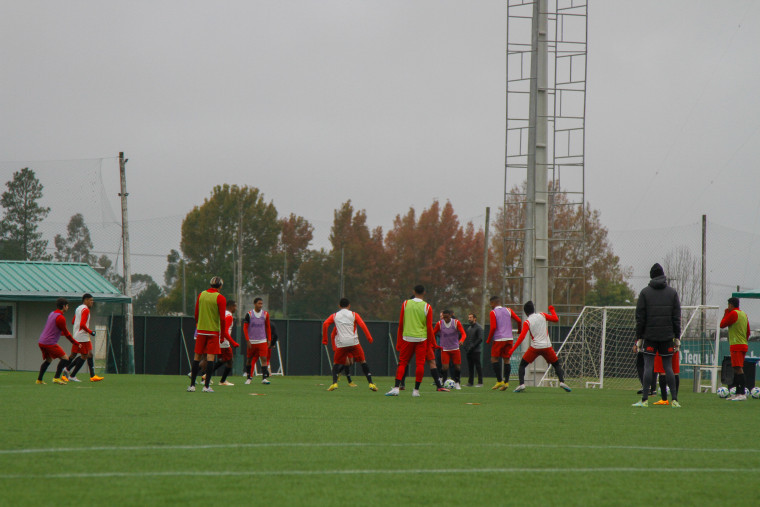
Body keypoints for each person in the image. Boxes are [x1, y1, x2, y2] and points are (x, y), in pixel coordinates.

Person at [632, 263, 681, 408]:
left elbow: (640, 318)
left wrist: (639, 338)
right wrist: (676, 337)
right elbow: (676, 317)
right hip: (667, 336)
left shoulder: (645, 293)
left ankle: (645, 400)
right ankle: (675, 400)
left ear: (651, 276)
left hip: (650, 336)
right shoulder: (672, 293)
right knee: (668, 368)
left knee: (648, 366)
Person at [386, 285, 445, 397]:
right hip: (421, 338)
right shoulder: (427, 307)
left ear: (413, 291)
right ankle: (416, 391)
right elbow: (429, 327)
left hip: (407, 337)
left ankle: (396, 388)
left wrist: (399, 341)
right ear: (424, 292)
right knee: (420, 364)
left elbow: (401, 323)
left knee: (402, 363)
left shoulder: (405, 304)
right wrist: (433, 343)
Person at [509, 301, 572, 393]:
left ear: (525, 312)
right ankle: (562, 381)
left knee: (522, 365)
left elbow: (522, 337)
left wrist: (512, 350)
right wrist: (552, 310)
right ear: (534, 309)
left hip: (535, 347)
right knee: (556, 364)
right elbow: (555, 319)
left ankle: (521, 384)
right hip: (547, 346)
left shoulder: (527, 322)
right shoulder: (542, 315)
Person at [321, 298, 378, 392]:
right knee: (363, 362)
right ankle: (371, 383)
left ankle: (334, 383)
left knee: (336, 364)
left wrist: (325, 340)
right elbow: (362, 324)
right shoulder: (354, 314)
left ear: (339, 306)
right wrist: (369, 337)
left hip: (342, 344)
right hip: (354, 342)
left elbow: (325, 324)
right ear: (349, 306)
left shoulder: (335, 315)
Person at [188, 276, 231, 393]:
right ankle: (206, 386)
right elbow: (222, 318)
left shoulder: (201, 295)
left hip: (201, 331)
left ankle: (192, 385)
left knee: (197, 357)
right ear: (220, 286)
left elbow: (196, 313)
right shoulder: (220, 298)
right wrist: (222, 336)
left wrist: (198, 325)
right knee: (210, 358)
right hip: (213, 332)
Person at [36, 298, 76, 385]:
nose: (68, 307)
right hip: (49, 343)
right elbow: (66, 333)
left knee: (48, 360)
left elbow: (54, 329)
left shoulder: (52, 314)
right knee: (65, 358)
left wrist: (60, 334)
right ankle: (56, 378)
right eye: (67, 306)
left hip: (42, 341)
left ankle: (39, 380)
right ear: (64, 306)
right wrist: (74, 342)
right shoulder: (61, 317)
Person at [485, 296, 522, 390]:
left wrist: (489, 339)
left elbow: (493, 328)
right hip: (509, 338)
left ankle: (499, 381)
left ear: (493, 303)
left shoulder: (493, 312)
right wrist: (519, 330)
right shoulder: (508, 310)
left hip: (499, 339)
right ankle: (506, 383)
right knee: (506, 360)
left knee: (494, 359)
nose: (490, 305)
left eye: (490, 303)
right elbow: (519, 320)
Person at [65, 293, 103, 382]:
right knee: (83, 355)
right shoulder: (85, 310)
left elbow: (73, 321)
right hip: (82, 335)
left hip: (80, 335)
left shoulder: (78, 308)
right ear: (85, 300)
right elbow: (82, 324)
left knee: (89, 354)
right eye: (90, 300)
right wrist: (91, 332)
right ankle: (69, 372)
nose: (92, 302)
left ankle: (92, 376)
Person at [720, 297, 751, 401]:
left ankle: (741, 393)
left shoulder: (733, 314)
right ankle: (738, 393)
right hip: (743, 344)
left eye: (728, 305)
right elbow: (748, 332)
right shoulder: (743, 314)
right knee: (736, 368)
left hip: (736, 345)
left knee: (738, 368)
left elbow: (722, 324)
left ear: (731, 305)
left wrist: (726, 313)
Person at [432, 309, 466, 389]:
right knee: (445, 367)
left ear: (450, 315)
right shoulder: (439, 324)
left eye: (447, 317)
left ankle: (457, 382)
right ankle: (444, 382)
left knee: (457, 366)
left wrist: (461, 340)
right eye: (444, 317)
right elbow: (433, 334)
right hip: (445, 349)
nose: (445, 319)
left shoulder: (456, 322)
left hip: (455, 348)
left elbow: (463, 333)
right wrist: (433, 344)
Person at [244, 298, 272, 385]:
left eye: (261, 304)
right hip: (252, 341)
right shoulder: (249, 314)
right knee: (249, 359)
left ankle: (264, 378)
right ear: (255, 304)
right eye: (259, 303)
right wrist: (247, 340)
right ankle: (249, 377)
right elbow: (245, 328)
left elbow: (268, 327)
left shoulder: (265, 314)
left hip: (262, 340)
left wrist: (269, 339)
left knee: (264, 358)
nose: (261, 305)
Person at [217, 300, 240, 386]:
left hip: (218, 340)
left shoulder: (223, 313)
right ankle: (222, 381)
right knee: (230, 361)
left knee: (223, 360)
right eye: (235, 306)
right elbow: (225, 332)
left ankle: (205, 375)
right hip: (224, 342)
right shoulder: (229, 316)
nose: (236, 308)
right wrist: (233, 343)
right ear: (230, 306)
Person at [463, 313, 484, 387]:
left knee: (478, 366)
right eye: (468, 317)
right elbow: (467, 338)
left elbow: (480, 339)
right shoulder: (469, 328)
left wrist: (473, 346)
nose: (469, 319)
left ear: (475, 318)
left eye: (471, 317)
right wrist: (465, 346)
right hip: (469, 351)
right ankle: (470, 382)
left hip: (476, 351)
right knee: (470, 367)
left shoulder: (478, 328)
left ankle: (480, 382)